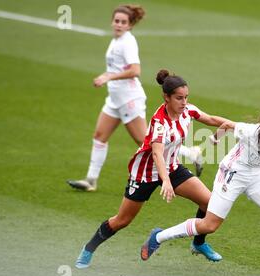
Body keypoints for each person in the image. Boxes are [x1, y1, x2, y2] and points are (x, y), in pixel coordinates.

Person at [75, 69, 232, 268]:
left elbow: (211, 120)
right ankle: (89, 248)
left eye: (186, 97)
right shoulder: (159, 123)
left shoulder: (188, 111)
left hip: (172, 168)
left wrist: (238, 126)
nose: (184, 102)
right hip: (145, 174)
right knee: (122, 220)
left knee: (209, 203)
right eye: (179, 98)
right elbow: (157, 153)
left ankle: (198, 244)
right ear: (166, 97)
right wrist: (165, 181)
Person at [140, 109, 260, 276]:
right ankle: (158, 236)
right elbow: (226, 124)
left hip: (256, 177)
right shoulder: (251, 132)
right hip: (232, 174)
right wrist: (215, 139)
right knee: (209, 225)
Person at [67, 5, 203, 192]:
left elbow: (134, 70)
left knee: (145, 141)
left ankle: (190, 153)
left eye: (124, 22)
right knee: (100, 136)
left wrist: (108, 77)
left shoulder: (127, 42)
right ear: (112, 22)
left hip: (129, 99)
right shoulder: (116, 40)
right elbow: (117, 67)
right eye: (117, 21)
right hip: (115, 98)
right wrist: (108, 76)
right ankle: (91, 180)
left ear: (130, 25)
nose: (119, 25)